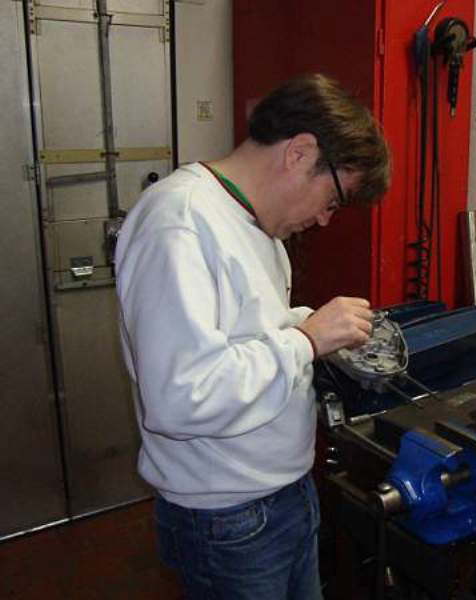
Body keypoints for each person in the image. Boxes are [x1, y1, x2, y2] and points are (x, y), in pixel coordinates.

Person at [115, 73, 390, 600]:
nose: (325, 220)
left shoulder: (257, 227)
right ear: (300, 153)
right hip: (229, 522)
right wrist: (306, 340)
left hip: (284, 495)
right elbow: (180, 399)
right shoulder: (179, 221)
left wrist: (313, 328)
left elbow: (241, 336)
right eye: (333, 199)